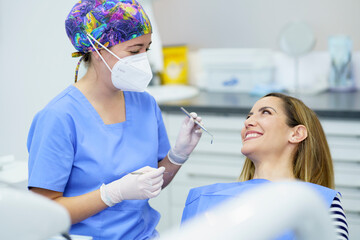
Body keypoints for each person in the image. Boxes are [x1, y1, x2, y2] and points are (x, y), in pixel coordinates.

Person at [27, 1, 203, 239]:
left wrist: (177, 157)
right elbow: (43, 214)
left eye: (146, 50)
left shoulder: (144, 104)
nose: (143, 59)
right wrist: (112, 194)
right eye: (133, 51)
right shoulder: (59, 117)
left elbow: (149, 185)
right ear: (98, 49)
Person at [181, 93, 349, 240]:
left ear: (296, 133)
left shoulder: (321, 203)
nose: (248, 122)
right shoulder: (203, 199)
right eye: (248, 116)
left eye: (266, 113)